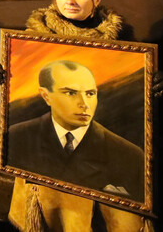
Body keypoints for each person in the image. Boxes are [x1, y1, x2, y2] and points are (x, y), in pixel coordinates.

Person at [0, 0, 149, 232]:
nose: (69, 0)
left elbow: (137, 111)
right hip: (46, 178)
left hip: (99, 190)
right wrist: (3, 82)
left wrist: (152, 87)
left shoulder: (122, 44)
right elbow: (8, 108)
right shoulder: (33, 38)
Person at [7, 60, 144, 200]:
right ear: (46, 96)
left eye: (90, 94)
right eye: (71, 93)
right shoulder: (17, 137)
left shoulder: (130, 156)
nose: (84, 104)